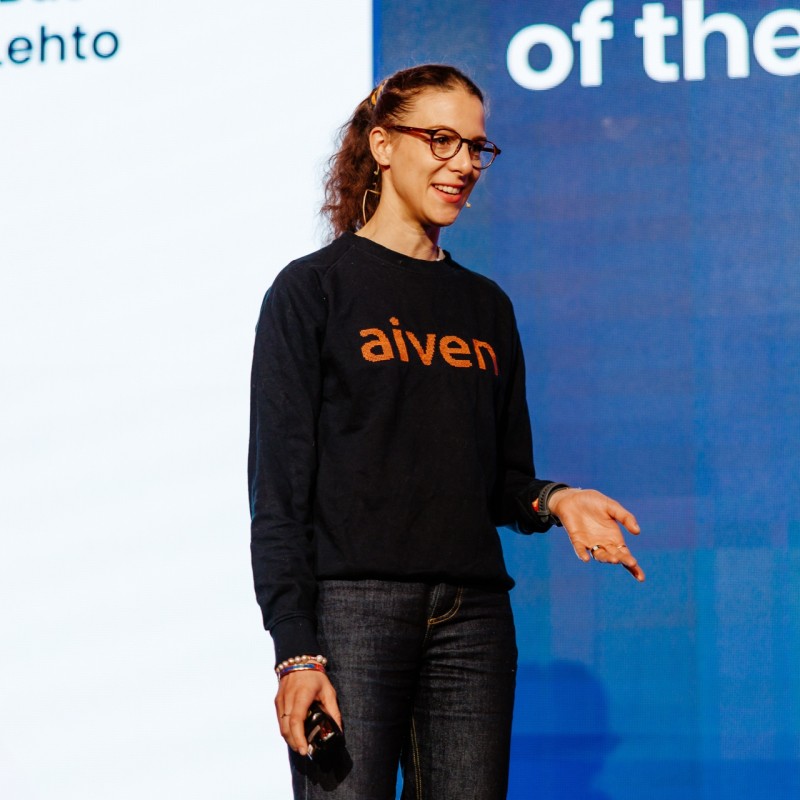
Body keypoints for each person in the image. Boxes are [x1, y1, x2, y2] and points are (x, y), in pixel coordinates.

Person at [248, 63, 645, 800]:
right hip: (353, 615)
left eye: (475, 147)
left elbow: (499, 483)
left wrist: (556, 500)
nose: (462, 163)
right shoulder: (312, 291)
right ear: (382, 144)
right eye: (440, 140)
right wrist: (296, 651)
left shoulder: (485, 306)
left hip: (474, 621)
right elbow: (278, 498)